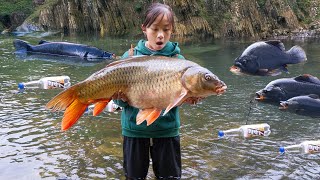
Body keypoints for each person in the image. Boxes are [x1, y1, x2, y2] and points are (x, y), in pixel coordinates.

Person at [114, 3, 199, 179]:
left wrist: (193, 98)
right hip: (134, 131)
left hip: (167, 130)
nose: (160, 35)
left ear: (172, 30)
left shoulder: (179, 61)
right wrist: (119, 98)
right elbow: (117, 102)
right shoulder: (129, 58)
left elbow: (184, 96)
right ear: (144, 29)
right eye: (155, 29)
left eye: (166, 30)